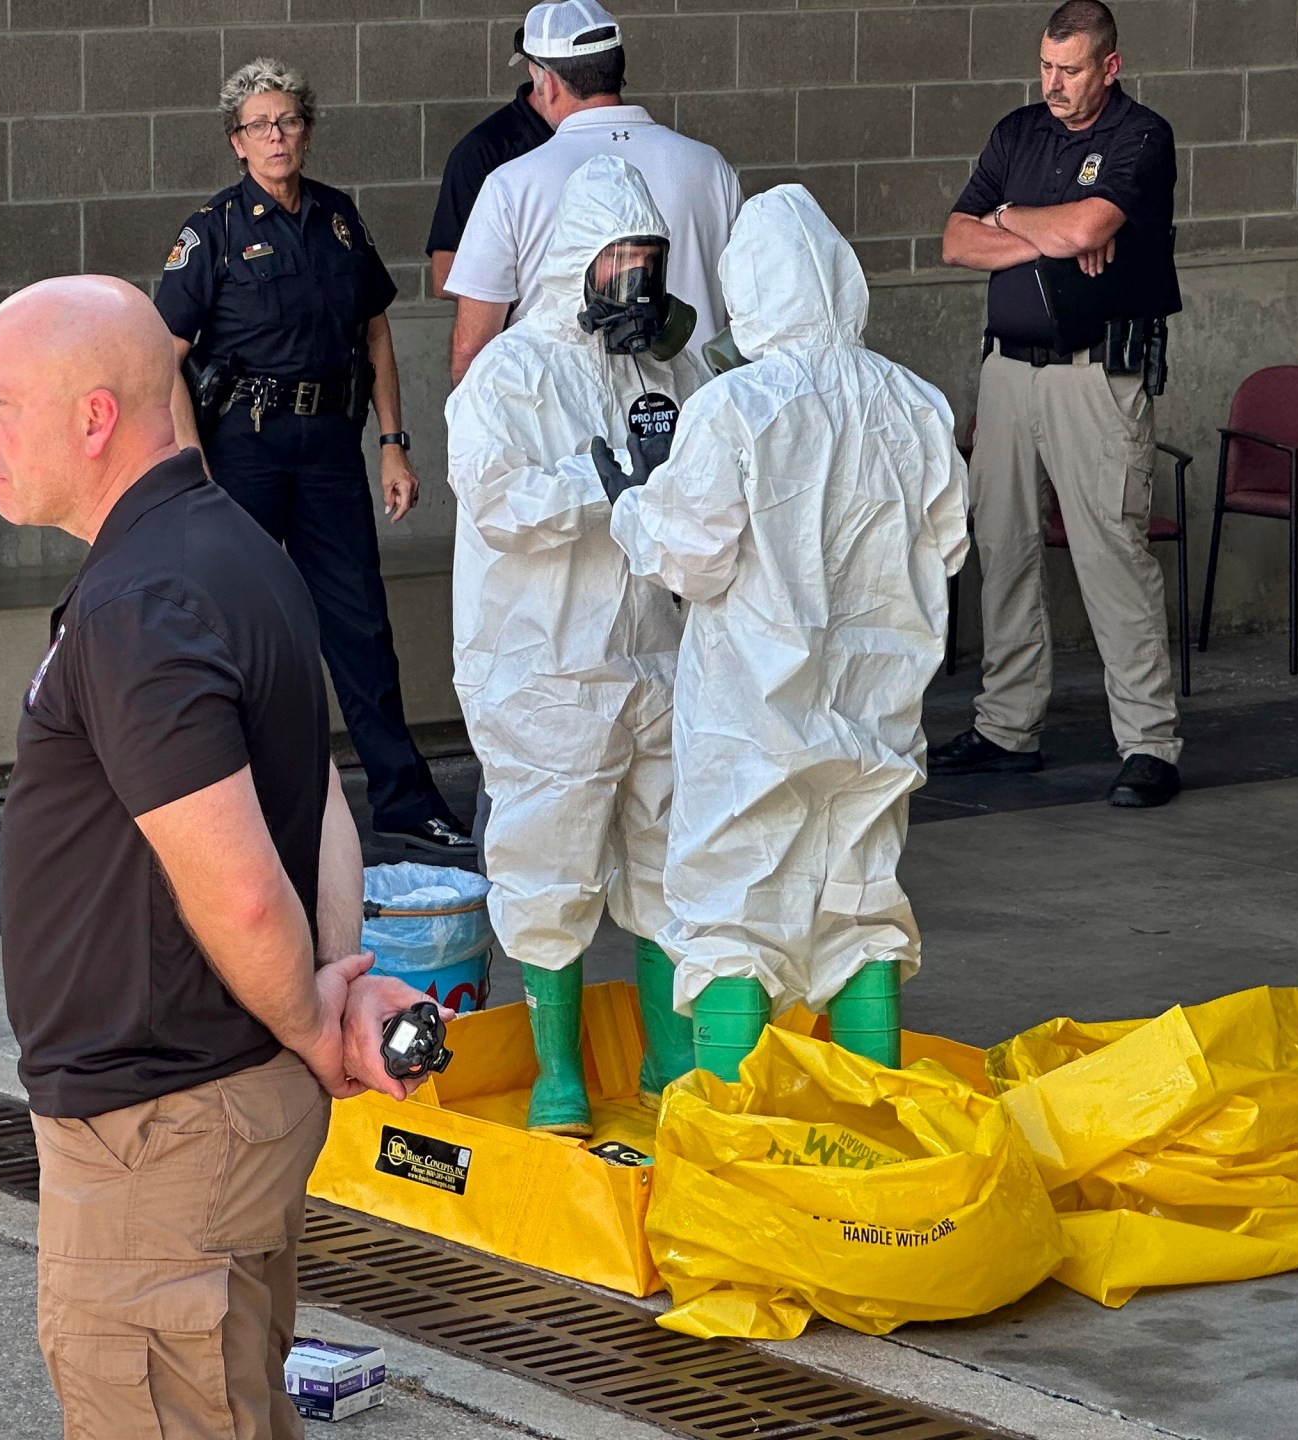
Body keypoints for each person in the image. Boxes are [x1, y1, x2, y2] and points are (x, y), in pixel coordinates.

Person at [0, 274, 438, 1439]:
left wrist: (311, 1021)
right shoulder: (228, 545)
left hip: (164, 1133)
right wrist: (331, 978)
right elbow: (313, 785)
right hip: (209, 1111)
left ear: (93, 417)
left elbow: (234, 876)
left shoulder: (145, 598)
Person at [607, 185, 970, 1080]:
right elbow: (951, 544)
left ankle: (741, 1159)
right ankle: (870, 1130)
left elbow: (691, 561)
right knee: (861, 904)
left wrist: (634, 505)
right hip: (874, 710)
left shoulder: (735, 407)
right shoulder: (916, 403)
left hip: (751, 714)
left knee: (733, 913)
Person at [446, 155, 708, 1133]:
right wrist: (602, 482)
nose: (635, 275)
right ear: (575, 261)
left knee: (668, 863)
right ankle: (557, 1070)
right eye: (619, 255)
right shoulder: (509, 374)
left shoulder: (665, 367)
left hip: (656, 658)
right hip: (546, 665)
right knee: (547, 867)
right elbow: (502, 502)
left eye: (650, 254)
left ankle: (668, 1063)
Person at [157, 57, 473, 859]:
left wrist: (394, 446)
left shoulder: (337, 217)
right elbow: (163, 356)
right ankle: (250, 806)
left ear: (306, 130)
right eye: (260, 124)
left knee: (361, 625)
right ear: (236, 142)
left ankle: (403, 798)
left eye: (289, 120)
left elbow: (375, 332)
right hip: (245, 451)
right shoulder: (214, 231)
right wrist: (189, 465)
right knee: (251, 630)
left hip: (331, 446)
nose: (277, 135)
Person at [935, 0, 1184, 809]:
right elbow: (955, 239)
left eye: (1069, 69)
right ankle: (1008, 727)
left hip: (1095, 377)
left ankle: (1149, 744)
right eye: (1046, 66)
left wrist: (1016, 221)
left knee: (1113, 556)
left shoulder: (1140, 137)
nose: (1053, 83)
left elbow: (1092, 226)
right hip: (1008, 372)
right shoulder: (1018, 132)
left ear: (1108, 66)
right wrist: (1033, 226)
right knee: (1002, 548)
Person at [445, 0, 741, 382]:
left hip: (565, 431)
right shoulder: (711, 168)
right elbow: (747, 312)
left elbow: (472, 350)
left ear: (545, 82)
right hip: (698, 422)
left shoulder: (511, 185)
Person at [426, 75, 552, 296]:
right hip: (521, 325)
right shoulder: (484, 149)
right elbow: (446, 275)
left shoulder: (611, 136)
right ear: (543, 73)